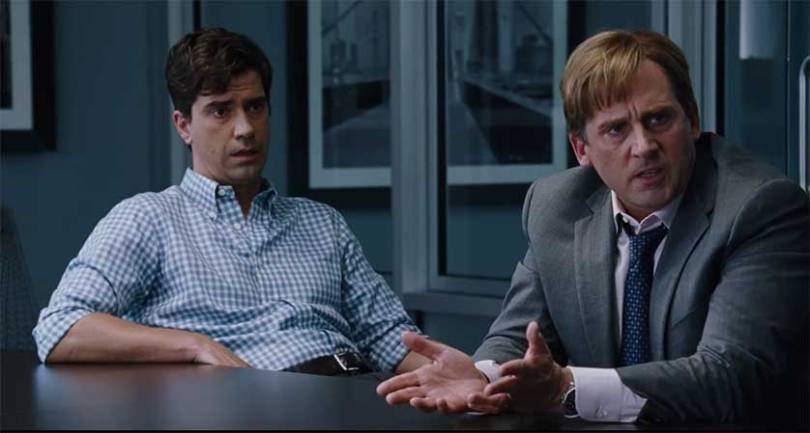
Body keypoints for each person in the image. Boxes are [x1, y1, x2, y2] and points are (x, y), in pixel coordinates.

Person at [377, 29, 809, 425]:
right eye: (616, 130)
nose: (644, 147)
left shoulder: (759, 207)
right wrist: (484, 377)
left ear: (692, 120)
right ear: (581, 148)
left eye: (658, 119)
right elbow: (520, 338)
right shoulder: (555, 206)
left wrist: (565, 386)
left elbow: (730, 376)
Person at [33, 27, 428, 377]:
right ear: (183, 125)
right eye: (221, 111)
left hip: (355, 391)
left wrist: (454, 376)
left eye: (255, 107)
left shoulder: (322, 223)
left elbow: (388, 337)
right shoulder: (148, 219)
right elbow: (60, 329)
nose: (245, 129)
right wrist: (193, 345)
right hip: (250, 408)